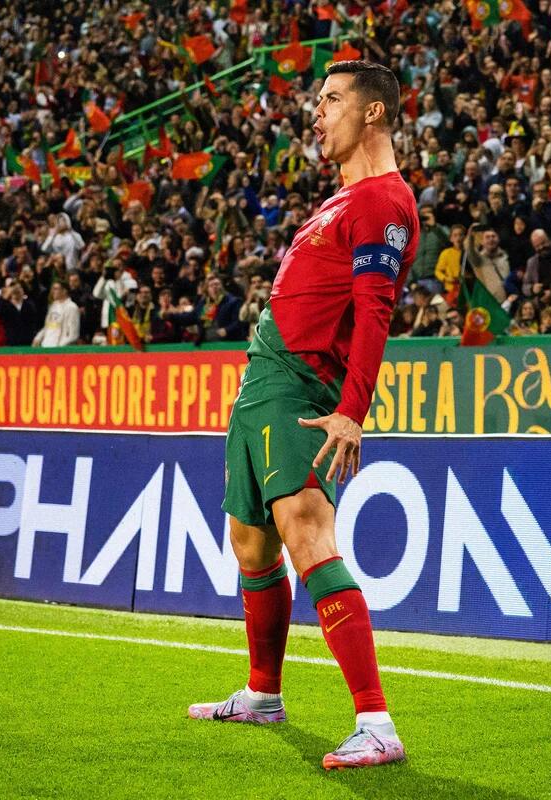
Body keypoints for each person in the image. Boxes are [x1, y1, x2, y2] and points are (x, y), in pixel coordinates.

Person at [188, 61, 419, 771]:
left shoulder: (382, 202)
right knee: (251, 544)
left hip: (299, 386)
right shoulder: (341, 199)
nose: (316, 113)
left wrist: (352, 410)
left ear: (373, 112)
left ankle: (375, 721)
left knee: (306, 529)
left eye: (331, 99)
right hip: (262, 384)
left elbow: (375, 309)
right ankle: (263, 693)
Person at [33, 282, 81, 347]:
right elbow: (47, 326)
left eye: (55, 289)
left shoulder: (72, 307)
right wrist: (38, 338)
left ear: (64, 291)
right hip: (45, 346)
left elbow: (73, 335)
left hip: (59, 348)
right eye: (52, 289)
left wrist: (60, 347)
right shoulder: (53, 305)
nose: (52, 292)